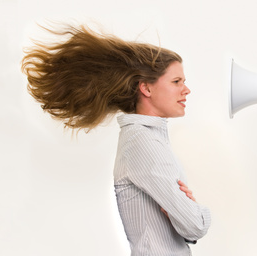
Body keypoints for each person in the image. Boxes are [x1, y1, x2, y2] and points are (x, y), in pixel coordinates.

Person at [21, 24, 211, 255]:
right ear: (146, 88)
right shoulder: (144, 144)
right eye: (176, 81)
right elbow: (196, 226)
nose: (186, 89)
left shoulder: (145, 139)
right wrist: (192, 210)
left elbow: (186, 230)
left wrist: (182, 211)